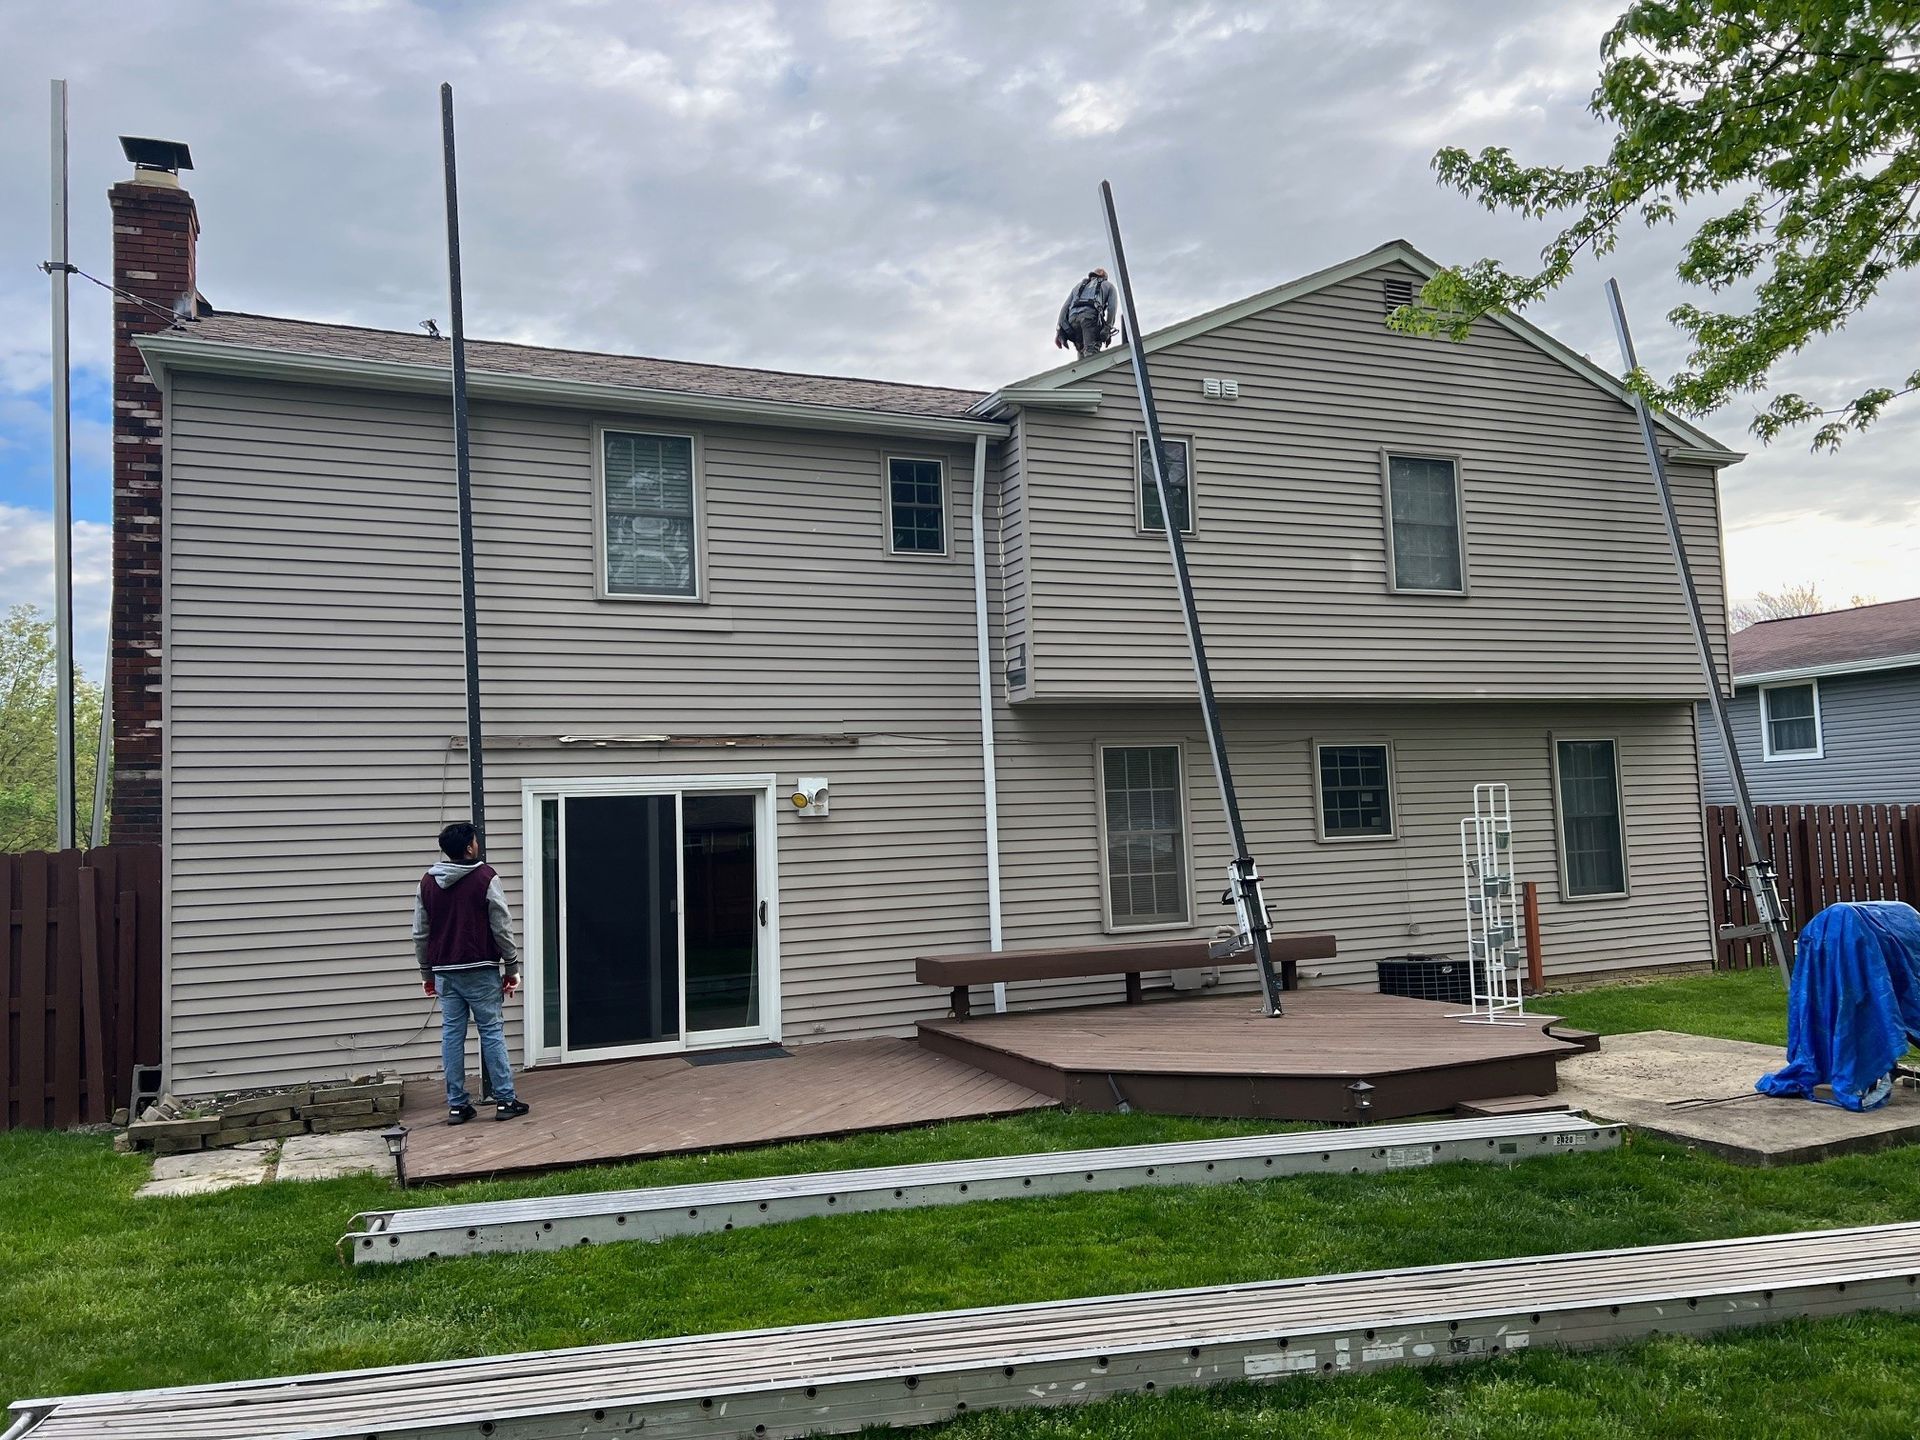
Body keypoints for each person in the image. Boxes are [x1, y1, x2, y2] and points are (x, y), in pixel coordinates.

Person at [413, 821, 531, 1124]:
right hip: (480, 967)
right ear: (469, 847)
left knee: (452, 1034)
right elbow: (501, 926)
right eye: (475, 841)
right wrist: (512, 966)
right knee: (491, 1031)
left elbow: (420, 933)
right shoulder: (485, 877)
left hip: (444, 971)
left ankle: (457, 1106)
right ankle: (505, 1101)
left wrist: (427, 973)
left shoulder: (427, 882)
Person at [1055, 267, 1117, 359]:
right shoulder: (1108, 285)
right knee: (1091, 352)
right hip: (1089, 318)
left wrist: (1059, 331)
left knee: (1082, 351)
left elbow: (1065, 308)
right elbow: (1112, 308)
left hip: (1073, 320)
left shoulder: (1078, 286)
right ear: (1105, 277)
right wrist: (1107, 328)